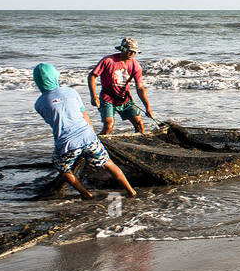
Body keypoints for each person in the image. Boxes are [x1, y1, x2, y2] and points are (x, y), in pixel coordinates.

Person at [33, 63, 135, 199]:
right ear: (55, 77)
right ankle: (130, 191)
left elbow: (52, 121)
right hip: (88, 137)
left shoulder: (39, 103)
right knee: (108, 163)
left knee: (62, 168)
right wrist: (93, 135)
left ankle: (86, 194)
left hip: (66, 144)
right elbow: (84, 116)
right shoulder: (71, 92)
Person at [88, 37, 154, 135]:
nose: (132, 54)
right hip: (107, 98)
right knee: (109, 125)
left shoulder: (135, 66)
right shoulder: (108, 61)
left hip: (124, 99)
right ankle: (96, 145)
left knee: (139, 124)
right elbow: (92, 76)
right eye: (130, 51)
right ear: (123, 49)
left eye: (134, 52)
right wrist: (93, 96)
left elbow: (140, 88)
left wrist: (147, 108)